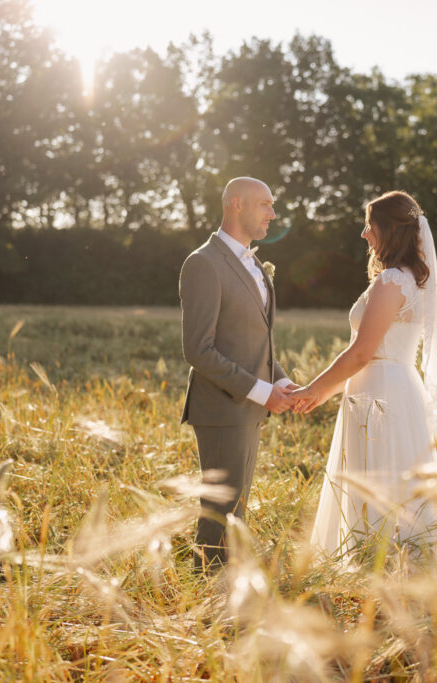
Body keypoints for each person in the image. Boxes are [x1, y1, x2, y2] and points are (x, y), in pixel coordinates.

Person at [291, 191, 437, 557]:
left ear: (388, 230)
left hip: (379, 394)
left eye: (369, 226)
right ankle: (403, 562)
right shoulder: (413, 280)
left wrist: (313, 389)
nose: (364, 235)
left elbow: (363, 353)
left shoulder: (391, 281)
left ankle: (377, 562)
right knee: (394, 478)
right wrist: (322, 394)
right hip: (393, 389)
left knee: (379, 478)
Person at [179, 176, 296, 569]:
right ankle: (206, 591)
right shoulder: (203, 263)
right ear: (236, 205)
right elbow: (199, 349)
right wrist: (262, 392)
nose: (272, 213)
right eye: (264, 204)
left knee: (236, 507)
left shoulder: (255, 264)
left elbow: (252, 337)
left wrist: (279, 380)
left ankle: (225, 591)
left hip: (249, 406)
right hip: (222, 408)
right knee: (221, 509)